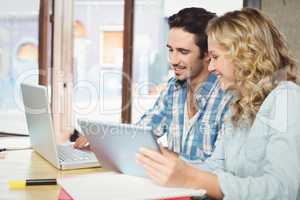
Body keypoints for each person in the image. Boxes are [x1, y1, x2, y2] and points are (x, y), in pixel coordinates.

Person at [136, 8, 300, 200]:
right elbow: (215, 167)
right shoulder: (240, 104)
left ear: (245, 55)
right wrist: (171, 163)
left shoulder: (287, 98)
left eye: (215, 57)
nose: (211, 67)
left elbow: (284, 190)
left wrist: (191, 177)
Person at [74, 7, 232, 161]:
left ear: (207, 54)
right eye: (171, 50)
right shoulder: (174, 88)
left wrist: (162, 156)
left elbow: (219, 169)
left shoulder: (228, 97)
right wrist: (101, 140)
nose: (173, 60)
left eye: (183, 52)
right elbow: (141, 132)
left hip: (201, 187)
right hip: (169, 185)